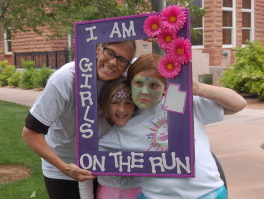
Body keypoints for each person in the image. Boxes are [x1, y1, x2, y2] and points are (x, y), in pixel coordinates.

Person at [98, 53, 247, 199]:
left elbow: (238, 104)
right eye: (138, 83)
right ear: (130, 85)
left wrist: (199, 89)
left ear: (165, 88)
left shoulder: (176, 101)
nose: (144, 91)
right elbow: (88, 158)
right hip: (155, 196)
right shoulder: (125, 128)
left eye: (153, 85)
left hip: (208, 192)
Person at [21, 40, 136, 199]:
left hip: (104, 166)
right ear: (98, 49)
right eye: (110, 52)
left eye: (122, 60)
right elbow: (30, 132)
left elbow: (166, 72)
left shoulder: (125, 77)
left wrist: (161, 36)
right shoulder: (66, 78)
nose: (113, 62)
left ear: (128, 64)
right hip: (64, 170)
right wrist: (65, 168)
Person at [79, 77, 140, 199]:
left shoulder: (143, 127)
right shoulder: (95, 134)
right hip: (110, 194)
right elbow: (85, 175)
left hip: (141, 193)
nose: (121, 109)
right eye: (115, 102)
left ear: (135, 105)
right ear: (106, 104)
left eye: (128, 103)